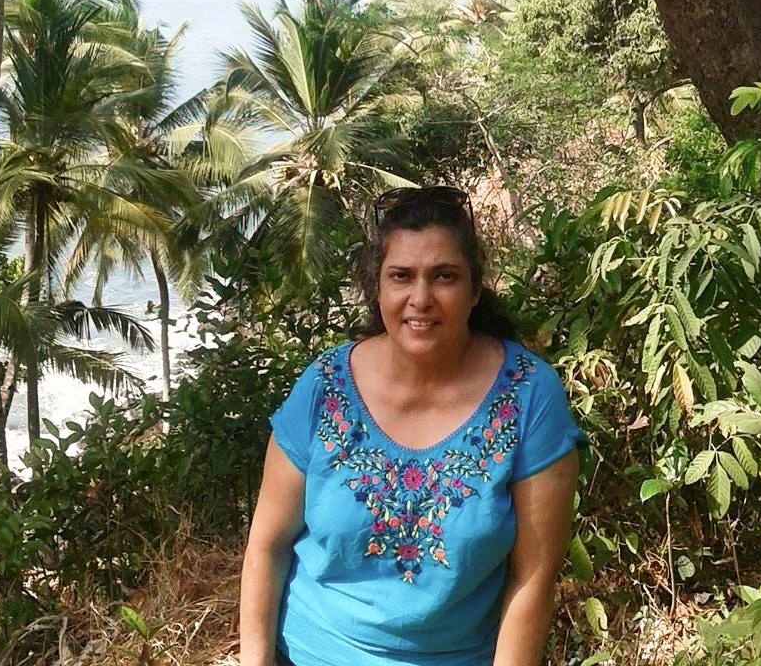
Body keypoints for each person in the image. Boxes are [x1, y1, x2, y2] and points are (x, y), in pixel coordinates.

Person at [239, 185, 588, 666]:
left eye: (444, 276)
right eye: (401, 276)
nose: (420, 298)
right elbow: (267, 546)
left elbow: (532, 579)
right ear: (377, 288)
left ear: (474, 290)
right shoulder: (325, 385)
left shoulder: (529, 395)